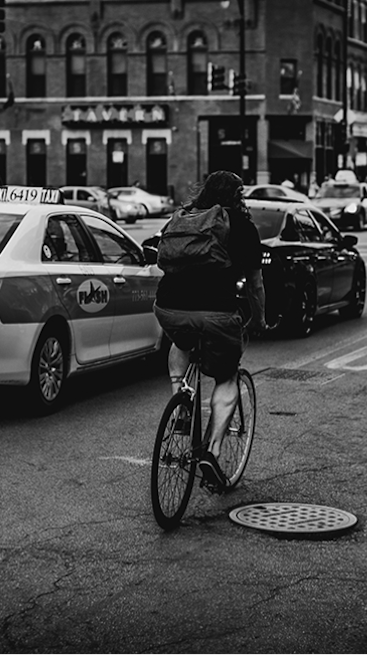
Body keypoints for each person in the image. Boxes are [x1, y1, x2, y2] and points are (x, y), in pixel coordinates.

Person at [152, 170, 266, 487]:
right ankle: (211, 453)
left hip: (167, 307)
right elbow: (255, 284)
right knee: (227, 374)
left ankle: (181, 398)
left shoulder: (183, 217)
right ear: (237, 197)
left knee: (182, 340)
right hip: (216, 311)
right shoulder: (241, 226)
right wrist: (259, 319)